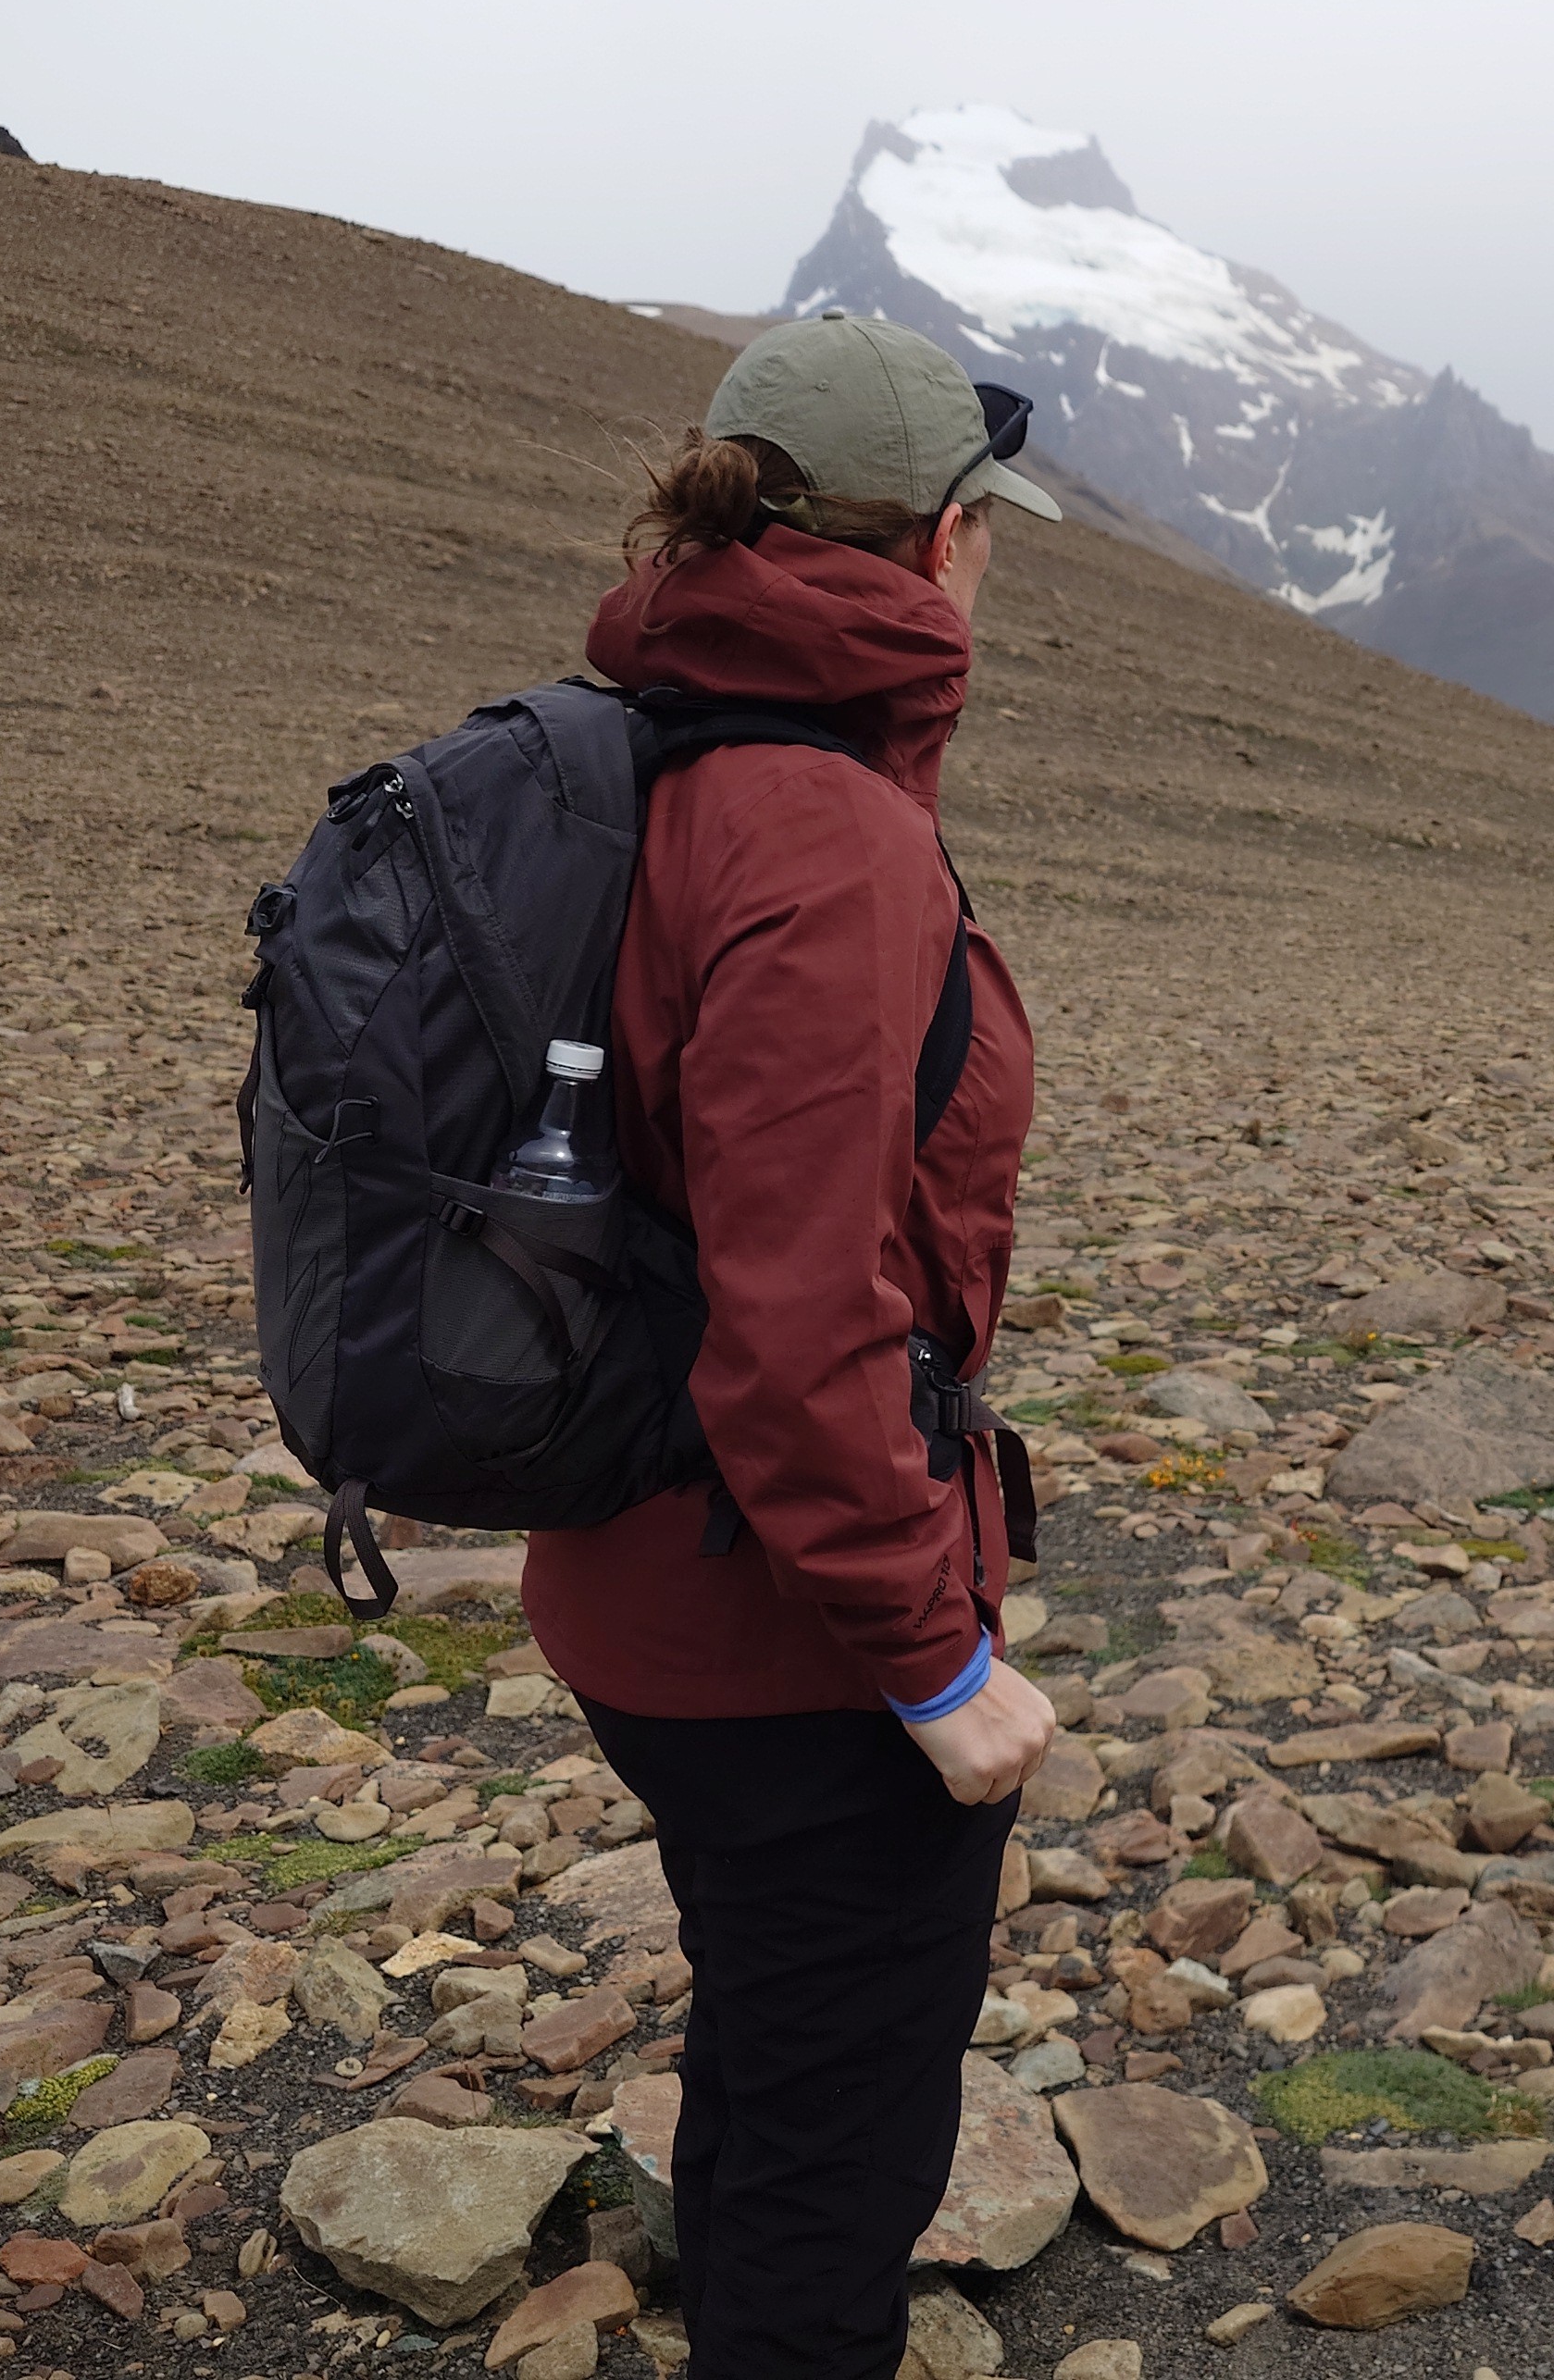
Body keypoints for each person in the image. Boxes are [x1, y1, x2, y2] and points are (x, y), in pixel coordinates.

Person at [521, 312, 1063, 2380]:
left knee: (770, 2026)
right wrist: (929, 1659)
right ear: (936, 544)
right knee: (843, 2142)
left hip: (634, 1577)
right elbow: (793, 1316)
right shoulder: (824, 838)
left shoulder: (645, 748)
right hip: (786, 1634)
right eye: (983, 529)